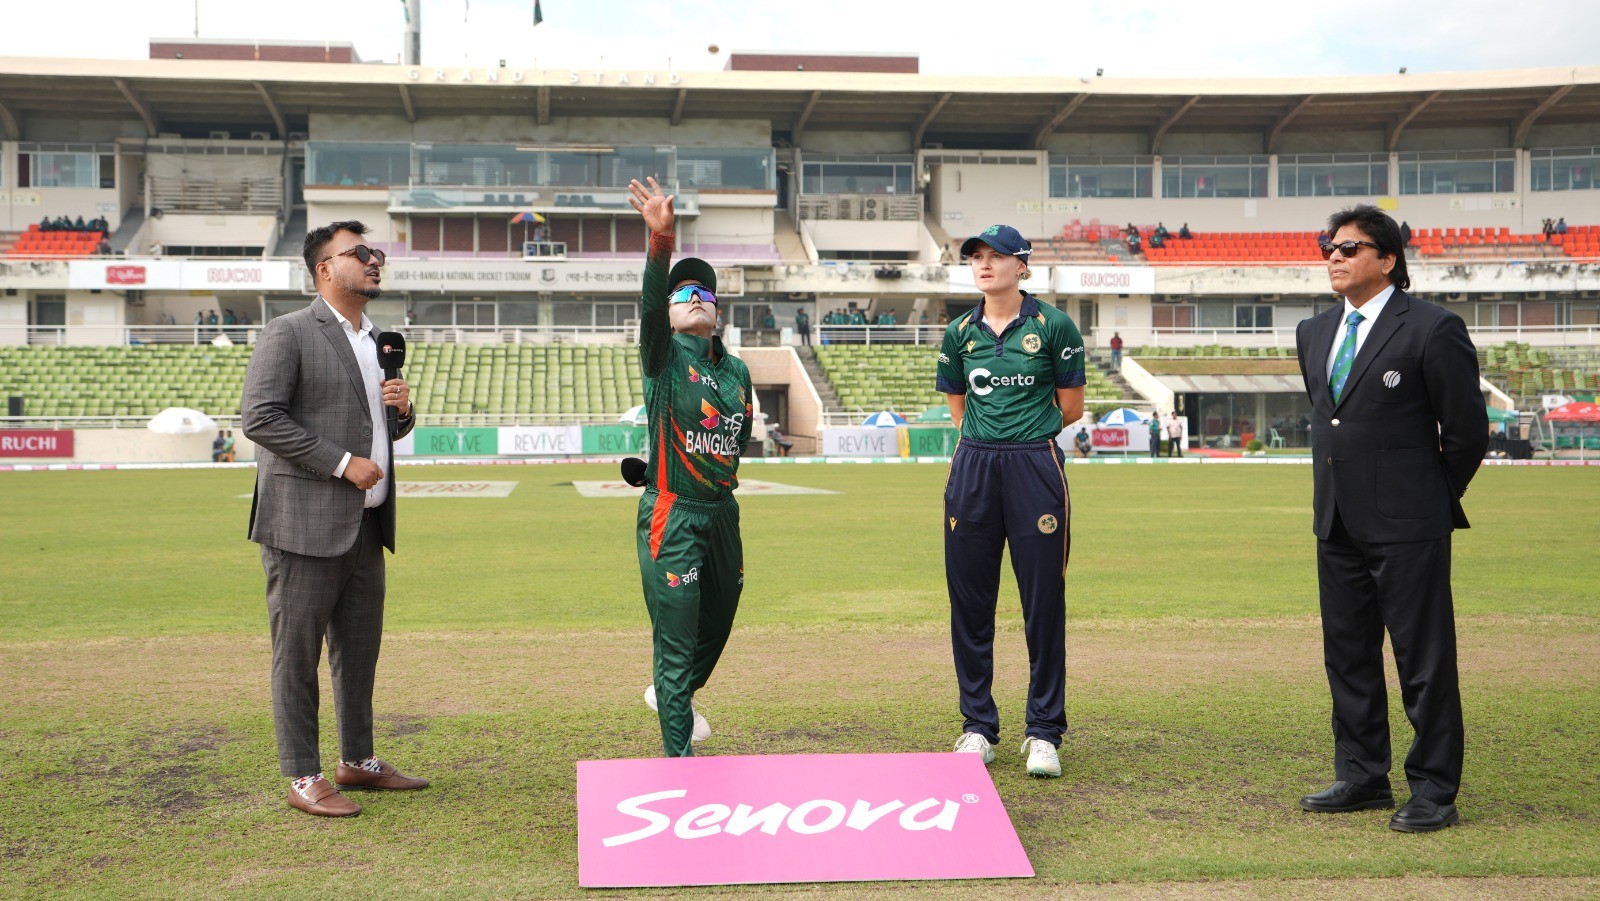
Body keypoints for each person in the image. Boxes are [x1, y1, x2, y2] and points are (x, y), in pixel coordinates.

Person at [1294, 204, 1488, 833]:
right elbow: (1335, 420)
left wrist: (1425, 498)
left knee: (1423, 658)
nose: (1334, 256)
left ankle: (1434, 788)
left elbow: (1466, 433)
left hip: (1409, 525)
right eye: (1329, 245)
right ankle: (1361, 774)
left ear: (1388, 259)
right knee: (1347, 654)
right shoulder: (1314, 332)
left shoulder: (1433, 328)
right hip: (1337, 521)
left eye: (1348, 248)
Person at [241, 220, 425, 818]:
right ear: (324, 268)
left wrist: (402, 413)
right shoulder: (289, 331)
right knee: (296, 654)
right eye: (358, 253)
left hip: (366, 526)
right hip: (302, 523)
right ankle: (301, 774)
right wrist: (344, 464)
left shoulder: (379, 343)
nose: (374, 261)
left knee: (359, 649)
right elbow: (261, 419)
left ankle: (358, 760)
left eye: (375, 252)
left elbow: (383, 431)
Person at [936, 224, 1086, 779]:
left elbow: (1070, 407)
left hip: (1034, 465)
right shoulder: (958, 332)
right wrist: (984, 439)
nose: (984, 263)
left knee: (1042, 602)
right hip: (973, 464)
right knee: (970, 603)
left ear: (1022, 264)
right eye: (976, 256)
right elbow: (957, 404)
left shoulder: (1055, 325)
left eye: (996, 255)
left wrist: (1020, 433)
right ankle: (978, 725)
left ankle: (1044, 731)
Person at [626, 177, 753, 758]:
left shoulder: (738, 371)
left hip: (722, 513)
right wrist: (661, 241)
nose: (694, 296)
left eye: (705, 291)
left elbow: (736, 439)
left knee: (719, 619)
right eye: (684, 293)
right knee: (675, 639)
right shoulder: (663, 357)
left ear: (719, 309)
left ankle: (670, 691)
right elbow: (653, 304)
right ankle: (680, 763)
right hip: (673, 514)